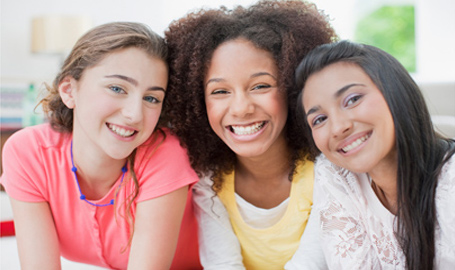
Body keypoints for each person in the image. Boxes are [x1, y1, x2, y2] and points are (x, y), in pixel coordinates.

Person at [0, 22, 201, 270]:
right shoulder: (28, 152)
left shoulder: (164, 152)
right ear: (69, 90)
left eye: (151, 98)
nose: (134, 114)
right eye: (117, 88)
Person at [164, 1, 337, 268]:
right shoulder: (209, 181)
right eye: (220, 91)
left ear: (293, 88)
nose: (242, 108)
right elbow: (223, 264)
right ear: (198, 103)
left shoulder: (327, 171)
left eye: (260, 86)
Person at [290, 40, 455, 270]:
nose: (338, 127)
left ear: (395, 91)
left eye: (353, 99)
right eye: (319, 119)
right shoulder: (336, 176)